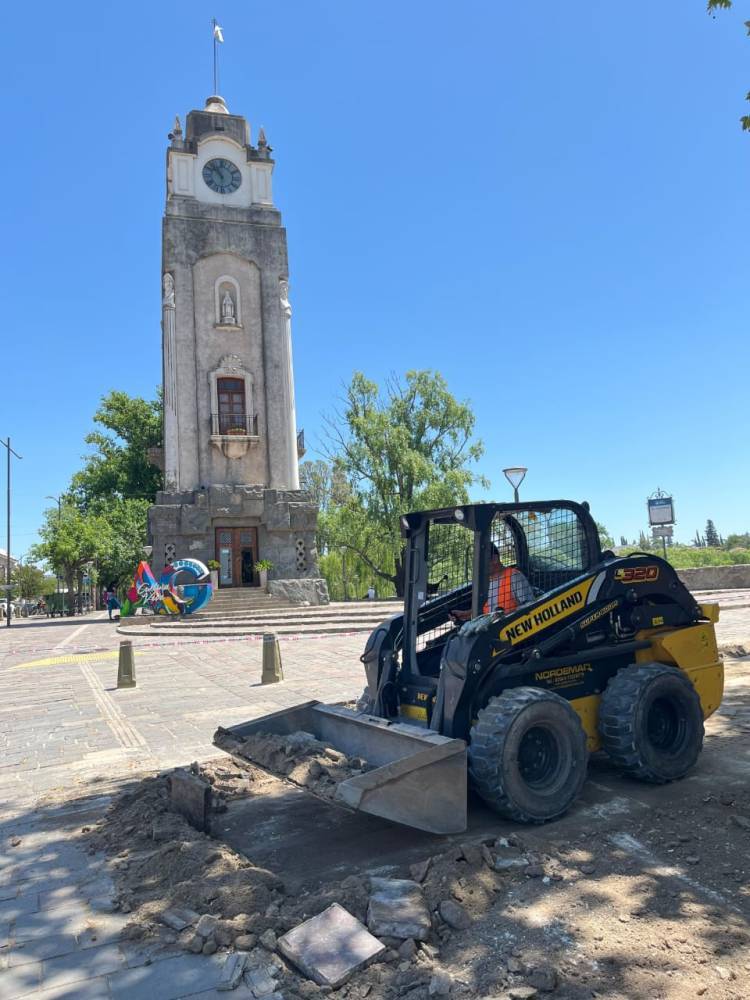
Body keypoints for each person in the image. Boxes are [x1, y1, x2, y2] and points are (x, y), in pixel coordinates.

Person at [451, 545, 533, 622]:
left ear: (495, 559)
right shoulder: (485, 583)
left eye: (481, 561)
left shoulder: (515, 576)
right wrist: (465, 615)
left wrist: (504, 616)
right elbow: (486, 610)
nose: (478, 566)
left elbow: (530, 608)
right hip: (490, 630)